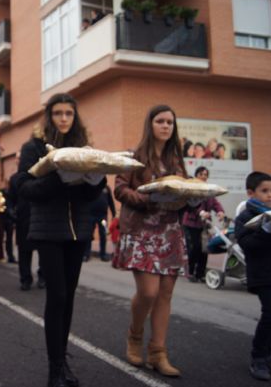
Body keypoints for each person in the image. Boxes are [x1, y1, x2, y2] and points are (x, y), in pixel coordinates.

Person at [16, 93, 106, 387]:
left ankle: (62, 361)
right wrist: (58, 178)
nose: (64, 118)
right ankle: (54, 370)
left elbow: (91, 197)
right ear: (50, 116)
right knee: (56, 296)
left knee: (67, 298)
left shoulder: (84, 149)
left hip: (77, 231)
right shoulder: (33, 148)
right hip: (47, 230)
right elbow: (24, 188)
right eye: (58, 113)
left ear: (75, 116)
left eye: (69, 113)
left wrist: (97, 181)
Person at [112, 104, 188, 377]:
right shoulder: (137, 155)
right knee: (148, 293)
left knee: (165, 293)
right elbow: (120, 188)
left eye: (170, 121)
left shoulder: (177, 160)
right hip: (141, 231)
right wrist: (147, 199)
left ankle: (158, 352)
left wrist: (188, 198)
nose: (166, 126)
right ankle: (135, 335)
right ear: (151, 124)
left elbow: (186, 191)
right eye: (160, 121)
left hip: (170, 231)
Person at [234, 171, 271, 381]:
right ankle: (258, 357)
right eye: (264, 191)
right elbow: (247, 245)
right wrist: (266, 230)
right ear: (250, 193)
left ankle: (267, 357)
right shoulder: (245, 217)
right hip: (263, 274)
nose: (270, 195)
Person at [182, 166, 224, 283]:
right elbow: (190, 205)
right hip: (190, 224)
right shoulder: (192, 189)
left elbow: (215, 203)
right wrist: (201, 212)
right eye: (201, 174)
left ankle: (200, 273)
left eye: (206, 174)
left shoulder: (208, 190)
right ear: (196, 176)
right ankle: (190, 271)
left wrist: (220, 212)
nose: (204, 177)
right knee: (194, 247)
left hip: (204, 225)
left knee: (204, 249)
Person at [9, 152, 45, 291]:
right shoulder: (14, 179)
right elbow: (10, 199)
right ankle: (25, 279)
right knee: (24, 252)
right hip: (23, 220)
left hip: (41, 219)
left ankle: (43, 277)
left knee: (44, 251)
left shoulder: (40, 176)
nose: (19, 161)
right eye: (18, 159)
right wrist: (11, 211)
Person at [84, 185, 116, 262]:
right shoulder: (90, 185)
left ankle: (103, 255)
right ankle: (86, 255)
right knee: (88, 235)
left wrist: (114, 214)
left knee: (103, 235)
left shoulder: (107, 188)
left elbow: (110, 201)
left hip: (102, 216)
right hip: (90, 215)